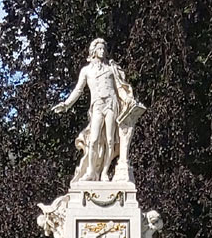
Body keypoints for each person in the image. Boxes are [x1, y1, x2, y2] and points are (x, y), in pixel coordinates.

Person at [53, 39, 144, 182]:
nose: (102, 51)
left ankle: (105, 172)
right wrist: (66, 104)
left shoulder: (111, 68)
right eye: (100, 49)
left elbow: (119, 88)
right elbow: (78, 90)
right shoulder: (86, 71)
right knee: (94, 139)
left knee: (109, 140)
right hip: (97, 106)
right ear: (93, 51)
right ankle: (91, 171)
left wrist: (127, 99)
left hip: (111, 104)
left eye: (103, 49)